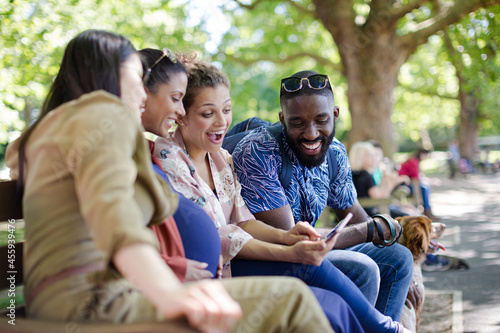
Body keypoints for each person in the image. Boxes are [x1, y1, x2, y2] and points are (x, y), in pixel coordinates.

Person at [4, 30, 337, 333]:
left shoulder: (60, 130)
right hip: (99, 301)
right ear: (115, 77)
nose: (144, 92)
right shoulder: (106, 114)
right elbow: (113, 211)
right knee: (291, 300)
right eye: (139, 76)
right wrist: (167, 292)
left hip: (86, 295)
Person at [152, 59, 409, 332]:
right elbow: (219, 236)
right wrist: (288, 248)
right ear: (181, 114)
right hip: (211, 270)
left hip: (236, 257)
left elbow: (244, 221)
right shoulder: (171, 158)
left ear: (334, 115)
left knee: (395, 258)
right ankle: (387, 329)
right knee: (323, 267)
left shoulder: (220, 158)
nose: (221, 122)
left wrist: (288, 238)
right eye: (207, 114)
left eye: (226, 110)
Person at [231, 70, 413, 322]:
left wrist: (393, 237)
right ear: (282, 119)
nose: (311, 133)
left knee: (399, 258)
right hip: (272, 259)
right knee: (363, 269)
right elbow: (293, 242)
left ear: (335, 114)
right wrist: (367, 231)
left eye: (321, 120)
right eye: (297, 123)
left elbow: (357, 218)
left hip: (310, 253)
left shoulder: (336, 153)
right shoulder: (258, 151)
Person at [349, 141, 414, 217]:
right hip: (371, 213)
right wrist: (390, 183)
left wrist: (384, 179)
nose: (374, 158)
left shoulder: (357, 174)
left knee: (410, 211)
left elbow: (377, 192)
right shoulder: (365, 176)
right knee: (410, 215)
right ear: (360, 158)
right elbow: (381, 198)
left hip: (363, 211)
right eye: (370, 156)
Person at [398, 148, 437, 220]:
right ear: (422, 154)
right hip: (404, 184)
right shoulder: (413, 161)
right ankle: (427, 210)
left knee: (426, 186)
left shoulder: (415, 160)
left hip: (410, 183)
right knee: (424, 188)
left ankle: (427, 210)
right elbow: (415, 177)